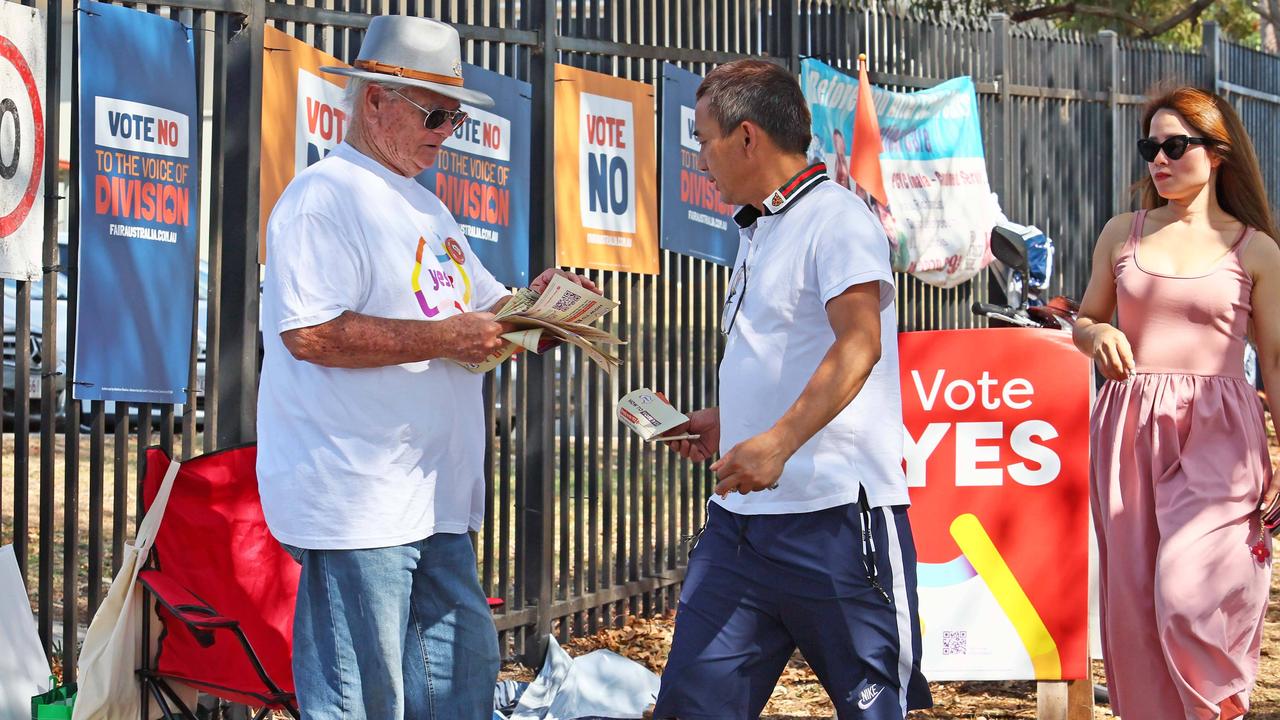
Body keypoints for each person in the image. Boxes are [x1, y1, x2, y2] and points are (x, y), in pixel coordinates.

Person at [256, 16, 595, 719]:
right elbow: (312, 334)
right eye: (434, 114)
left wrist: (549, 315)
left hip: (431, 498)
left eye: (455, 118)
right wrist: (446, 338)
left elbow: (486, 317)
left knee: (458, 687)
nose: (446, 131)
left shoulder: (427, 206)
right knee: (363, 699)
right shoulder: (323, 198)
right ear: (375, 100)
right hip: (359, 502)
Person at [653, 59, 931, 720]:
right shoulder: (764, 223)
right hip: (740, 533)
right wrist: (734, 420)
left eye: (703, 138)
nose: (699, 156)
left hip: (837, 522)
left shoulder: (835, 219)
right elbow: (786, 349)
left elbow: (860, 343)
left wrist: (777, 441)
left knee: (875, 712)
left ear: (747, 138)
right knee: (690, 707)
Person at [1072, 85, 1279, 719]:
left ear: (1217, 153)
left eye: (1175, 146)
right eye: (1150, 147)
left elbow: (1275, 362)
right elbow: (1085, 320)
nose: (1159, 160)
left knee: (1187, 592)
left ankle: (1219, 709)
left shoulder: (1257, 250)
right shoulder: (1121, 235)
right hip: (1129, 427)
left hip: (1221, 433)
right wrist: (1098, 332)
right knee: (1133, 607)